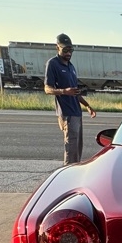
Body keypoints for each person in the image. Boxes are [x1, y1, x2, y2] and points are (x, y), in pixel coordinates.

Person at [44, 33, 96, 164]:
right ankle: (67, 173)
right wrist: (63, 91)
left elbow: (75, 92)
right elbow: (47, 89)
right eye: (65, 50)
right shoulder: (53, 64)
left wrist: (87, 106)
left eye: (71, 50)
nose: (68, 53)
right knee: (71, 150)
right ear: (57, 48)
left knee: (77, 149)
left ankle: (75, 170)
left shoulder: (71, 67)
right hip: (67, 113)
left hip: (77, 112)